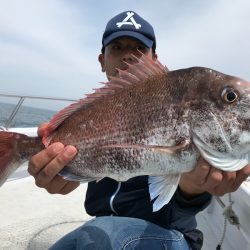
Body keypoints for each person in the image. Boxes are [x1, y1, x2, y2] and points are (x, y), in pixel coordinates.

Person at [28, 11, 250, 250]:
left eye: (138, 49)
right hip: (102, 227)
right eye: (117, 48)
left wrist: (192, 191)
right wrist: (63, 174)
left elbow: (176, 218)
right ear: (103, 61)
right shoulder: (96, 115)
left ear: (154, 58)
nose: (127, 57)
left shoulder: (177, 104)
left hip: (172, 236)